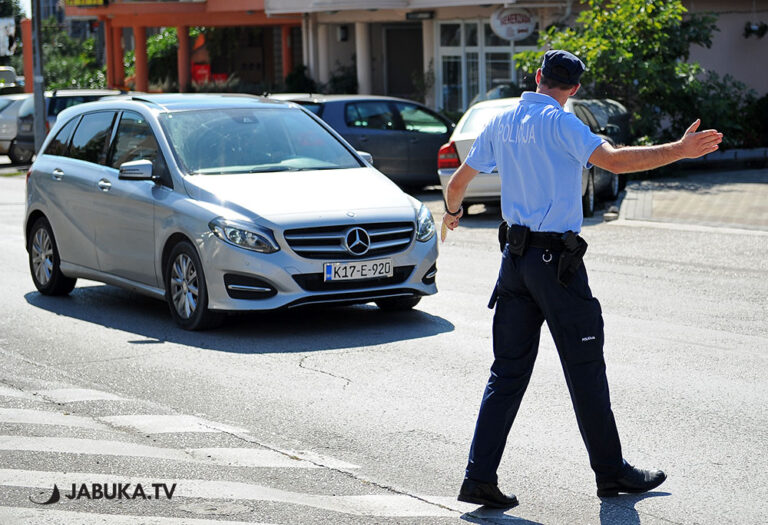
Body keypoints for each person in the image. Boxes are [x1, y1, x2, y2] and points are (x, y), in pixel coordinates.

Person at [444, 50, 723, 509]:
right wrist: (679, 150)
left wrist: (453, 215)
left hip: (513, 262)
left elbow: (457, 184)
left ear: (537, 78)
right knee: (585, 368)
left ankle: (478, 477)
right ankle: (611, 473)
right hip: (556, 265)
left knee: (507, 372)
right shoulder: (562, 123)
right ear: (574, 89)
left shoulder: (499, 124)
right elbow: (613, 162)